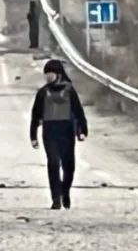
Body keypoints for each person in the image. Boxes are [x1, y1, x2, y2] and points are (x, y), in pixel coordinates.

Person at [29, 59, 88, 210]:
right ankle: (56, 198)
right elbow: (35, 115)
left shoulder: (69, 90)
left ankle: (65, 191)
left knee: (69, 167)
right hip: (50, 132)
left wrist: (83, 130)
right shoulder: (42, 93)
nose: (48, 77)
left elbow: (78, 111)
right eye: (46, 74)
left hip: (67, 131)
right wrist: (33, 136)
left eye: (50, 73)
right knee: (53, 163)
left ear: (58, 74)